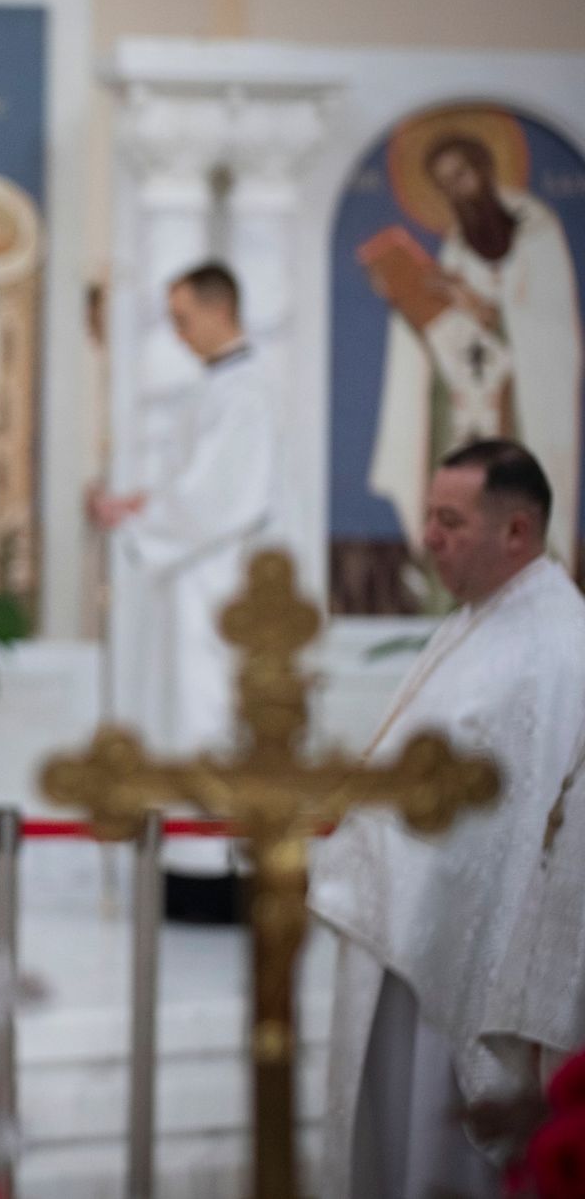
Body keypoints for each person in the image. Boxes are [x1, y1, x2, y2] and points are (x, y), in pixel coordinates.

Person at [312, 440, 585, 1198]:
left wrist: (359, 841)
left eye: (449, 520)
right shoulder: (486, 617)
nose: (427, 535)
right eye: (430, 516)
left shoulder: (548, 645)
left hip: (459, 961)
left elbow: (491, 819)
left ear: (517, 532)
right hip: (412, 936)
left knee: (433, 1149)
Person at [90, 263, 278, 921]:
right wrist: (142, 504)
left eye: (183, 315)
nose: (177, 330)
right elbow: (194, 485)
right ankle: (186, 868)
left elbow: (221, 499)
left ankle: (214, 881)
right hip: (194, 580)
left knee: (208, 718)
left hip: (217, 587)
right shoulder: (219, 388)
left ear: (219, 308)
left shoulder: (243, 392)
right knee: (182, 716)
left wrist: (141, 520)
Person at [368, 134, 581, 580]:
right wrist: (409, 300)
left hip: (523, 400)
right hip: (464, 394)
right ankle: (449, 580)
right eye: (445, 184)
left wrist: (478, 302)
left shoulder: (537, 228)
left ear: (484, 169)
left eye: (461, 175)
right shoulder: (458, 241)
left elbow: (555, 327)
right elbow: (446, 331)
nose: (457, 191)